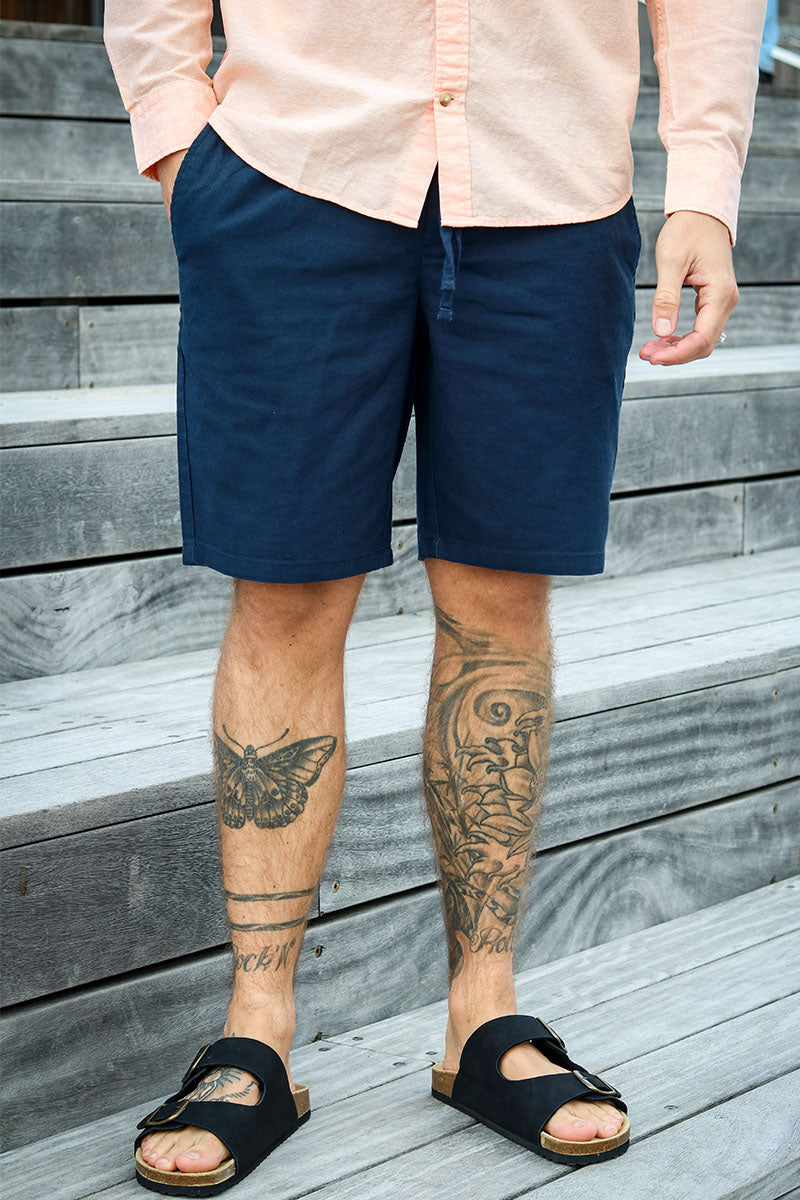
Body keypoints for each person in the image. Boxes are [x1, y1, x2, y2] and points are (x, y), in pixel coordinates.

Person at [103, 1, 765, 1192]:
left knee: (501, 608)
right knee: (284, 601)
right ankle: (256, 1029)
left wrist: (704, 185)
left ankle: (482, 1019)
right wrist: (175, 140)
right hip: (290, 171)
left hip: (551, 190)